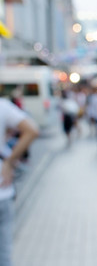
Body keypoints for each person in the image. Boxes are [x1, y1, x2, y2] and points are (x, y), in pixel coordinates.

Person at [0, 98, 39, 266]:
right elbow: (32, 130)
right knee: (4, 255)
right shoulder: (2, 106)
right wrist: (9, 162)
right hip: (3, 190)